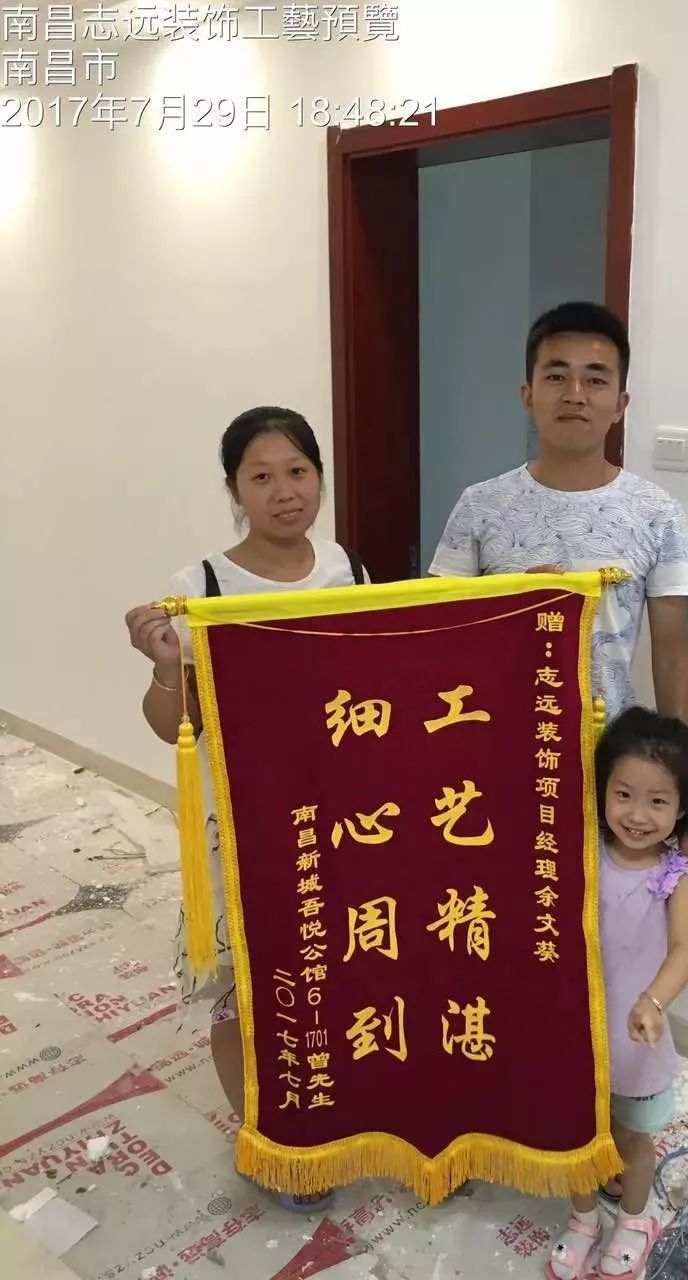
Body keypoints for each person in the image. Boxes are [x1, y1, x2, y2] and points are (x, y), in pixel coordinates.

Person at [123, 406, 367, 1213]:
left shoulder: (351, 571)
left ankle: (333, 1109)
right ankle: (263, 1136)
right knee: (246, 986)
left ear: (320, 477)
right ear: (234, 489)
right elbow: (170, 724)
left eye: (298, 471)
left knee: (334, 969)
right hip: (244, 824)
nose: (284, 491)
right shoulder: (200, 587)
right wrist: (166, 667)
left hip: (342, 818)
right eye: (261, 476)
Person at [428, 300, 688, 876]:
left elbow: (672, 657)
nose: (575, 394)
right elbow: (434, 637)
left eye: (596, 379)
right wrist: (509, 603)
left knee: (601, 915)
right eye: (556, 376)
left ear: (621, 404)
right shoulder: (479, 507)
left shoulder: (656, 513)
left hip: (613, 773)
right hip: (493, 754)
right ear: (528, 395)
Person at [547, 706, 688, 1280]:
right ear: (601, 791)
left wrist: (653, 1001)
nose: (637, 815)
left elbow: (684, 951)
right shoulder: (579, 853)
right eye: (623, 795)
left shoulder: (677, 875)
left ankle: (635, 1220)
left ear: (682, 808)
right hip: (576, 1033)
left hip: (638, 1037)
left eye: (657, 801)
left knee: (635, 1139)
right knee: (576, 1133)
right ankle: (583, 1218)